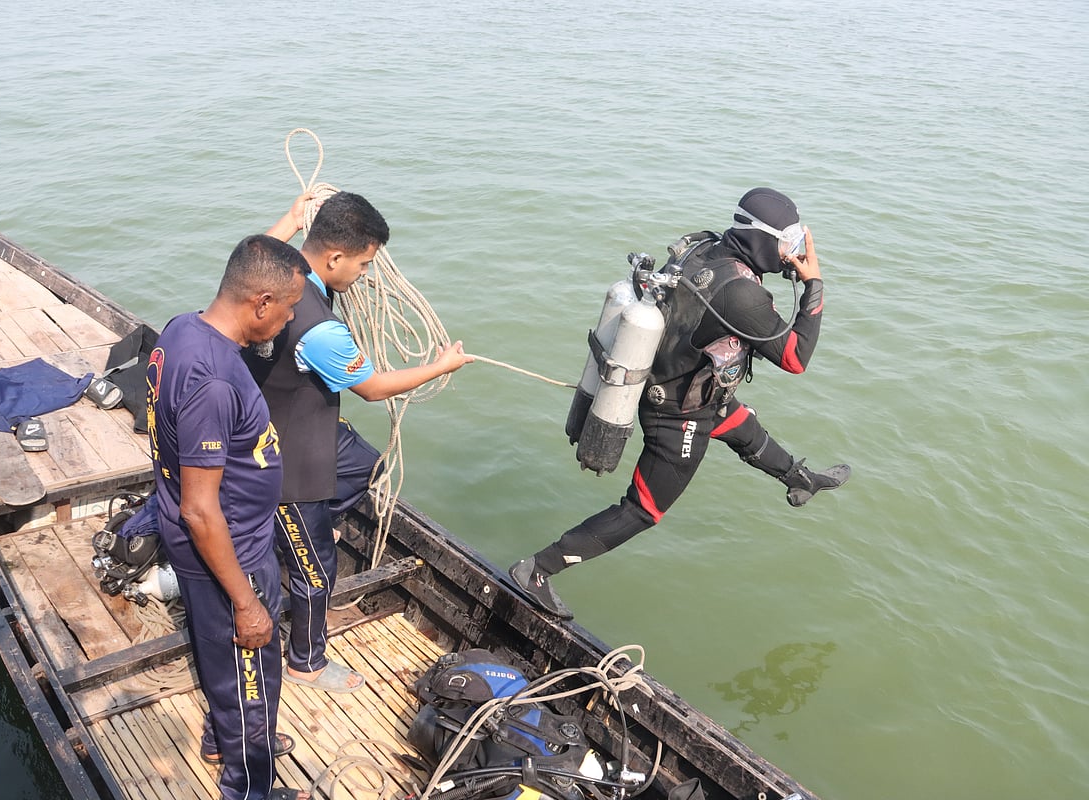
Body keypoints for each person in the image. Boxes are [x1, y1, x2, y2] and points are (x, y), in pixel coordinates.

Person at [511, 187, 850, 619]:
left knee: (739, 424)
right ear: (762, 238)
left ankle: (799, 479)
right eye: (787, 240)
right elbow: (795, 358)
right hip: (677, 412)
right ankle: (538, 570)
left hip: (682, 379)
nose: (792, 251)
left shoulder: (708, 246)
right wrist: (814, 284)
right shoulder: (742, 294)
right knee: (642, 510)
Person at [246, 190, 474, 693]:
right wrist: (440, 366)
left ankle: (295, 533)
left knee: (365, 465)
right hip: (288, 462)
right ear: (334, 257)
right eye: (364, 264)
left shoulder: (270, 274)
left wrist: (289, 216)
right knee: (317, 568)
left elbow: (258, 245)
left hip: (281, 419)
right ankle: (307, 662)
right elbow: (371, 389)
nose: (365, 275)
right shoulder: (321, 331)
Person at [146, 234, 309, 800]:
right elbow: (199, 506)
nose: (288, 321)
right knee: (252, 679)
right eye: (288, 308)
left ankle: (223, 738)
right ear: (261, 301)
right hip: (227, 550)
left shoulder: (181, 329)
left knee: (225, 667)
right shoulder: (213, 381)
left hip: (228, 537)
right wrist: (246, 601)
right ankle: (250, 787)